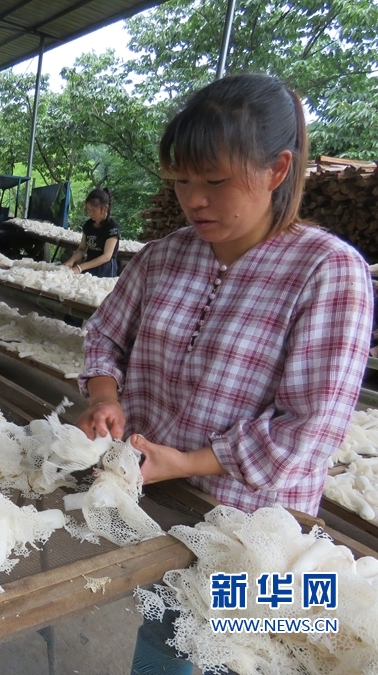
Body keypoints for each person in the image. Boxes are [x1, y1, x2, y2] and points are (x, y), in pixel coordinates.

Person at [74, 74, 372, 675]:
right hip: (162, 497)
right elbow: (105, 335)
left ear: (277, 169)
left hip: (253, 527)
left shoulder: (328, 272)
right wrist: (105, 398)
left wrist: (190, 460)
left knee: (235, 648)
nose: (194, 200)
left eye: (215, 181)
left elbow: (310, 428)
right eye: (182, 182)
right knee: (165, 630)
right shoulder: (164, 257)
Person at [62, 188, 120, 277]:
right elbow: (82, 249)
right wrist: (71, 260)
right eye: (88, 210)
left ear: (105, 208)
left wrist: (80, 267)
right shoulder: (88, 225)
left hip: (106, 270)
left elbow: (106, 256)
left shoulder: (112, 228)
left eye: (94, 210)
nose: (90, 213)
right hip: (89, 267)